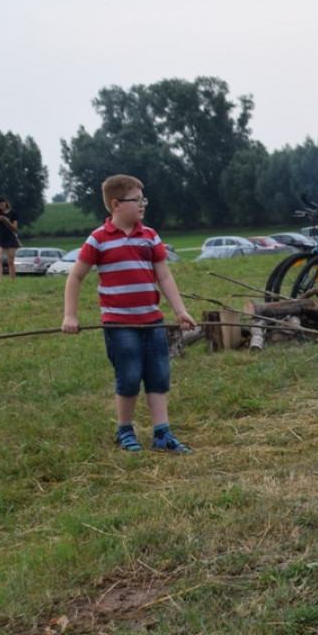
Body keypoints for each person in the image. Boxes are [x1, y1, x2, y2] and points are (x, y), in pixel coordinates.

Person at [61, 175, 195, 454]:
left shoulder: (150, 236)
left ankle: (162, 434)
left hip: (152, 322)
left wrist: (180, 311)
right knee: (130, 377)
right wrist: (70, 315)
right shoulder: (98, 239)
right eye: (137, 200)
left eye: (143, 199)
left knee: (159, 376)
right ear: (116, 204)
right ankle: (125, 431)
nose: (143, 204)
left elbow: (164, 276)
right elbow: (75, 277)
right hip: (119, 325)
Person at [0, 195, 19, 283]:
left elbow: (14, 228)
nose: (0, 205)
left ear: (5, 203)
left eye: (1, 203)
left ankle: (12, 280)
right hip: (0, 238)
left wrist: (6, 220)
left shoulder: (13, 213)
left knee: (10, 261)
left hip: (10, 237)